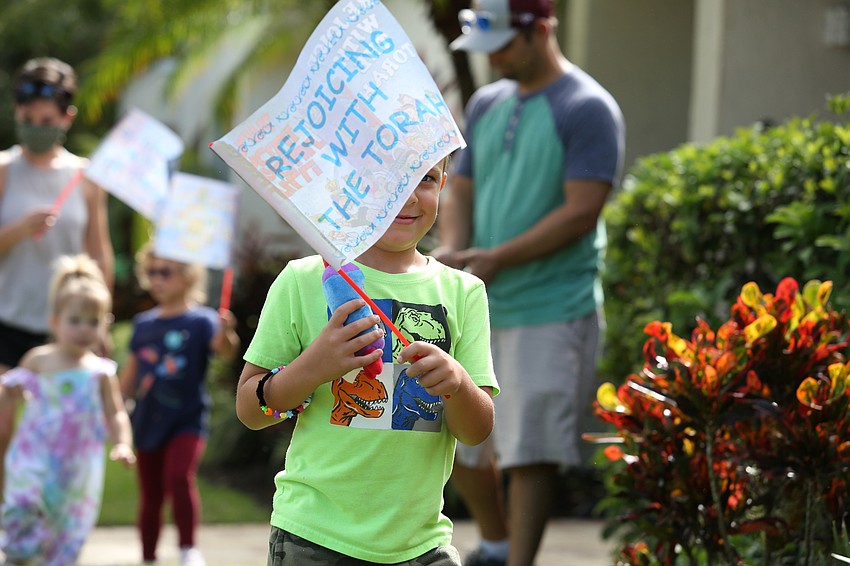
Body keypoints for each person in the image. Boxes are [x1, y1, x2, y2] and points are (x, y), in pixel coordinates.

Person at [433, 1, 626, 565]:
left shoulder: (587, 108)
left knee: (530, 452)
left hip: (552, 305)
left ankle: (517, 562)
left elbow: (581, 211)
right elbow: (460, 186)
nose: (491, 59)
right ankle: (494, 543)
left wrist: (497, 257)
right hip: (482, 302)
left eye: (501, 46)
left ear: (540, 30)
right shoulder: (487, 102)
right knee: (462, 440)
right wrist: (457, 245)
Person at [235, 156, 498, 565]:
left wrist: (458, 384)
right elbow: (251, 409)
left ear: (443, 183)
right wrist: (314, 366)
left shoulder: (463, 292)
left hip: (421, 543)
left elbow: (476, 430)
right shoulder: (303, 280)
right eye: (390, 177)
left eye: (425, 179)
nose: (410, 195)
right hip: (315, 536)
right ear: (351, 184)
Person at [0, 254, 135, 565]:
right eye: (75, 320)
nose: (84, 329)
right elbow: (10, 392)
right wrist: (8, 392)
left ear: (105, 325)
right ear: (55, 321)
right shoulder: (38, 360)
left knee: (68, 524)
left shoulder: (101, 372)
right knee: (23, 502)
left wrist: (123, 443)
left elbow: (115, 412)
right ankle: (17, 555)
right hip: (35, 455)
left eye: (93, 322)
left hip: (77, 465)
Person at [119, 243, 239, 566]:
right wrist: (113, 408)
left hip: (187, 418)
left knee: (178, 477)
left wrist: (226, 332)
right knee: (151, 494)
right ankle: (148, 555)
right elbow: (128, 378)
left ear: (187, 277)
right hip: (147, 420)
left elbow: (225, 350)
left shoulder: (201, 321)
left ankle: (188, 548)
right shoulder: (143, 324)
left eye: (165, 272)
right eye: (151, 272)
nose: (156, 279)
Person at [0, 56, 114, 377]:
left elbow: (98, 256)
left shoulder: (86, 176)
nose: (36, 128)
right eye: (28, 119)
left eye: (46, 120)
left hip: (68, 328)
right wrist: (19, 229)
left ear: (67, 118)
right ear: (16, 112)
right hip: (7, 325)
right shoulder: (4, 170)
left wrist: (101, 319)